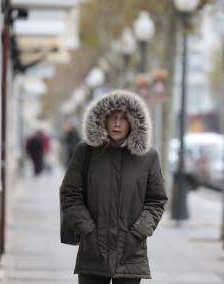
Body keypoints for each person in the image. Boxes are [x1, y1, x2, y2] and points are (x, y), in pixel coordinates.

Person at [59, 90, 168, 284]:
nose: (117, 124)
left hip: (130, 254)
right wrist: (88, 230)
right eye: (113, 118)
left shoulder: (148, 157)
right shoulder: (86, 152)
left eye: (123, 119)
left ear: (133, 122)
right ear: (103, 120)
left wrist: (138, 232)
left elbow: (156, 200)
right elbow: (70, 193)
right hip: (93, 252)